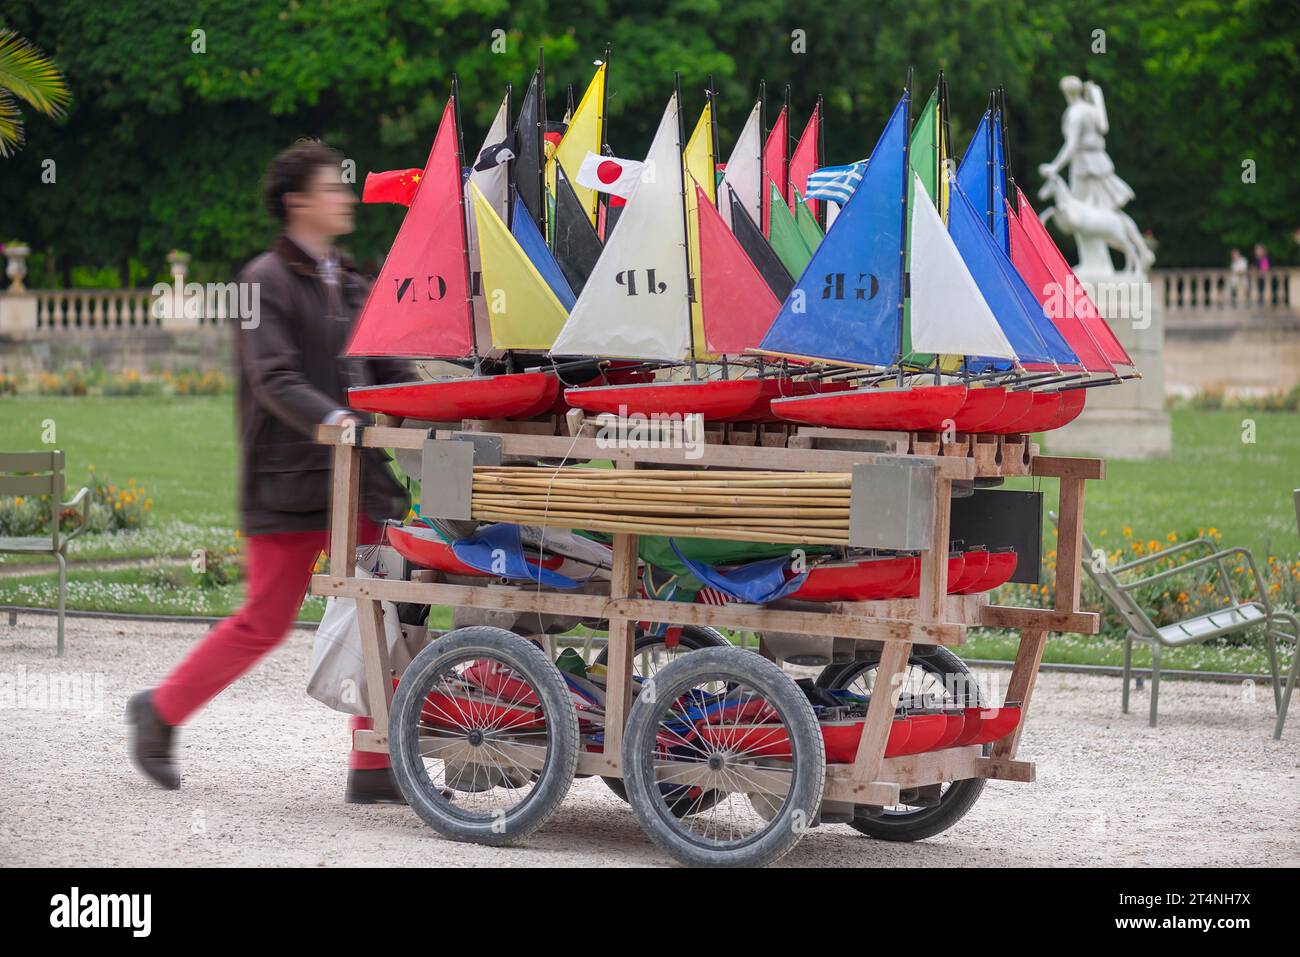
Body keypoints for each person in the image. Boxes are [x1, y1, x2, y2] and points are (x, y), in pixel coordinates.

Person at [127, 140, 414, 804]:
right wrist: (340, 420)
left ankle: (372, 764)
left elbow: (391, 370)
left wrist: (435, 408)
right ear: (298, 202)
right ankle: (159, 712)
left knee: (379, 609)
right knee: (265, 620)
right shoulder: (262, 280)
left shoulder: (356, 279)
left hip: (360, 482)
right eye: (333, 187)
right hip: (292, 483)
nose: (346, 197)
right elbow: (274, 378)